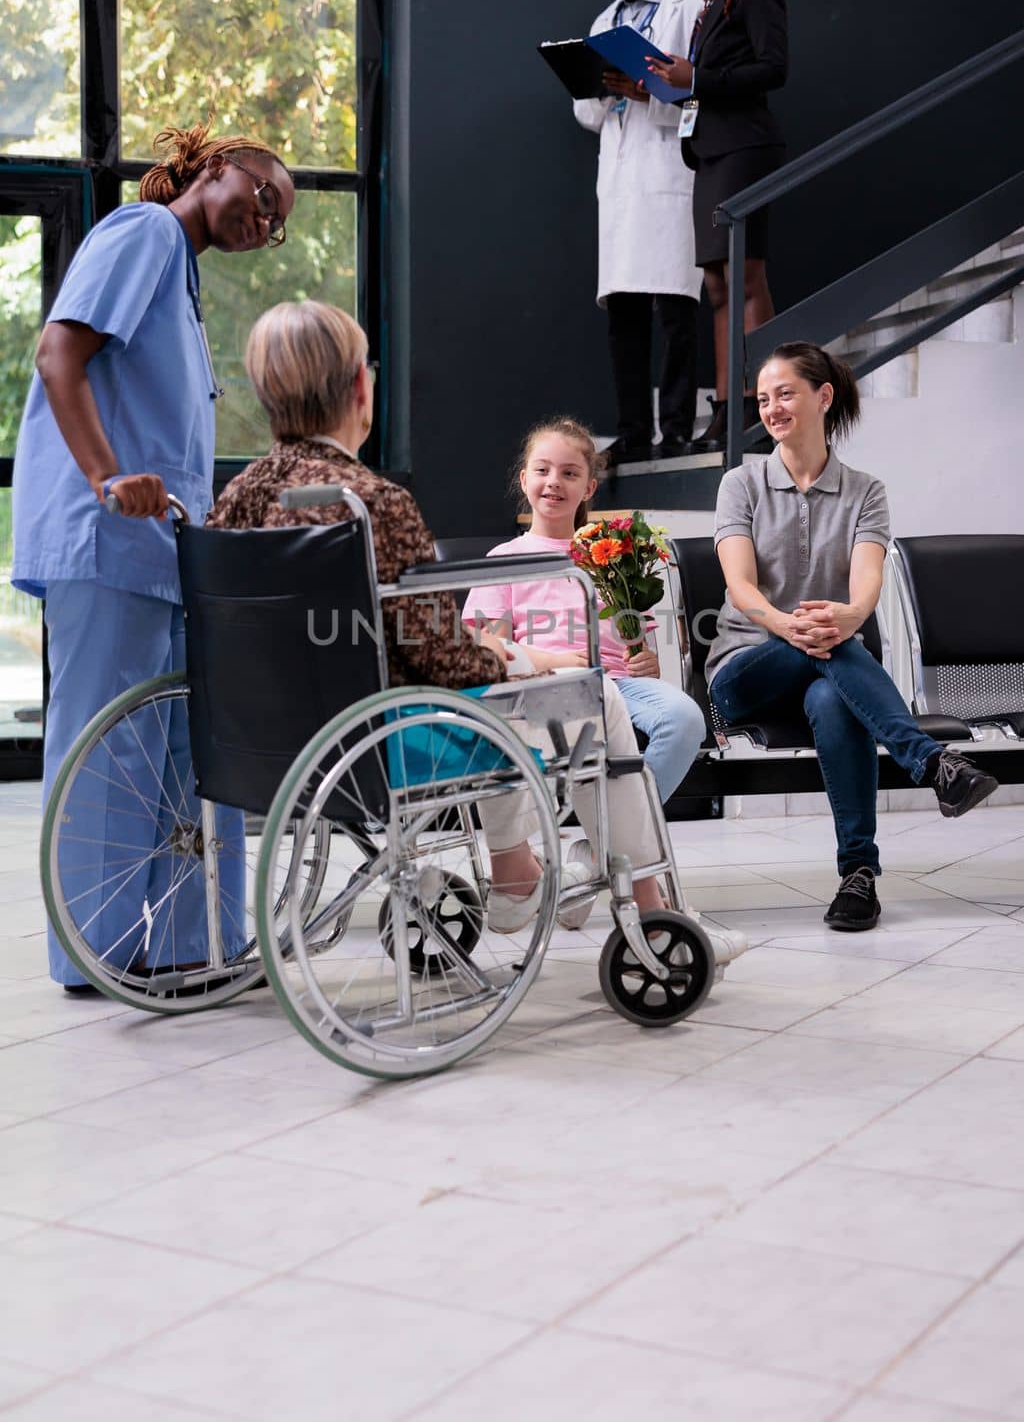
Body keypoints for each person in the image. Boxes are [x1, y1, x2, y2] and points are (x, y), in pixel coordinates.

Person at [207, 304, 729, 949]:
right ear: (359, 392)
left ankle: (524, 875)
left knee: (558, 690)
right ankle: (646, 913)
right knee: (592, 698)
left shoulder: (236, 500)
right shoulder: (371, 501)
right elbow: (445, 661)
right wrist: (531, 661)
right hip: (389, 740)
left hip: (264, 738)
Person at [12, 121, 295, 990]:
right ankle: (93, 957)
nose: (267, 220)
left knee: (179, 747)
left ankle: (187, 943)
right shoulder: (144, 234)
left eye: (278, 220)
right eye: (262, 196)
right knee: (107, 749)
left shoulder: (183, 276)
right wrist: (107, 477)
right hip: (107, 543)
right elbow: (60, 352)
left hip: (163, 551)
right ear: (215, 169)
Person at [707, 341, 999, 932]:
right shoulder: (741, 484)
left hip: (826, 666)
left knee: (833, 698)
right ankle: (931, 761)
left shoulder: (866, 490)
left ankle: (857, 878)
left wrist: (848, 615)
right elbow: (741, 588)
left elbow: (865, 587)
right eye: (764, 399)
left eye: (785, 393)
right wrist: (792, 625)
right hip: (745, 670)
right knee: (838, 648)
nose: (772, 408)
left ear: (823, 396)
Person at [461, 416, 706, 808]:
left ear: (589, 487)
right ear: (524, 480)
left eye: (569, 473)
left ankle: (617, 835)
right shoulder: (504, 560)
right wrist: (558, 659)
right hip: (545, 685)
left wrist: (646, 662)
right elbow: (491, 645)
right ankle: (623, 837)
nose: (554, 481)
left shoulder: (614, 557)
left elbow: (638, 645)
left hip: (618, 686)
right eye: (543, 470)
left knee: (685, 719)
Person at [645, 0, 787, 451]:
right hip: (710, 152)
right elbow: (704, 88)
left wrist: (696, 79)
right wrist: (660, 85)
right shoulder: (713, 6)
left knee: (744, 276)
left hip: (745, 150)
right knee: (716, 283)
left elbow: (774, 69)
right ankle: (727, 405)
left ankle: (760, 402)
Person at [573, 0, 705, 468]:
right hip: (624, 185)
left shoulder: (692, 9)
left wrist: (647, 91)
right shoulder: (605, 22)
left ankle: (674, 429)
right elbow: (585, 113)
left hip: (672, 174)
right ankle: (631, 432)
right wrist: (603, 90)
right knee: (624, 315)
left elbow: (707, 97)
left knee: (676, 309)